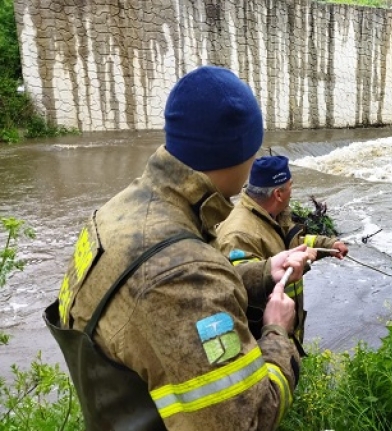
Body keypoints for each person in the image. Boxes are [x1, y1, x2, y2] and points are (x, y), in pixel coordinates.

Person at [43, 65, 311, 431]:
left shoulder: (118, 212)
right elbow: (249, 420)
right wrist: (277, 332)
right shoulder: (182, 279)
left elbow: (159, 293)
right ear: (241, 153)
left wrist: (264, 272)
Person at [215, 155, 349, 344]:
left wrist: (329, 245)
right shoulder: (239, 235)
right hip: (262, 341)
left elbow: (293, 242)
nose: (292, 192)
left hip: (284, 334)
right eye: (290, 186)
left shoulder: (272, 215)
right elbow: (243, 283)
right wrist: (299, 261)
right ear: (278, 194)